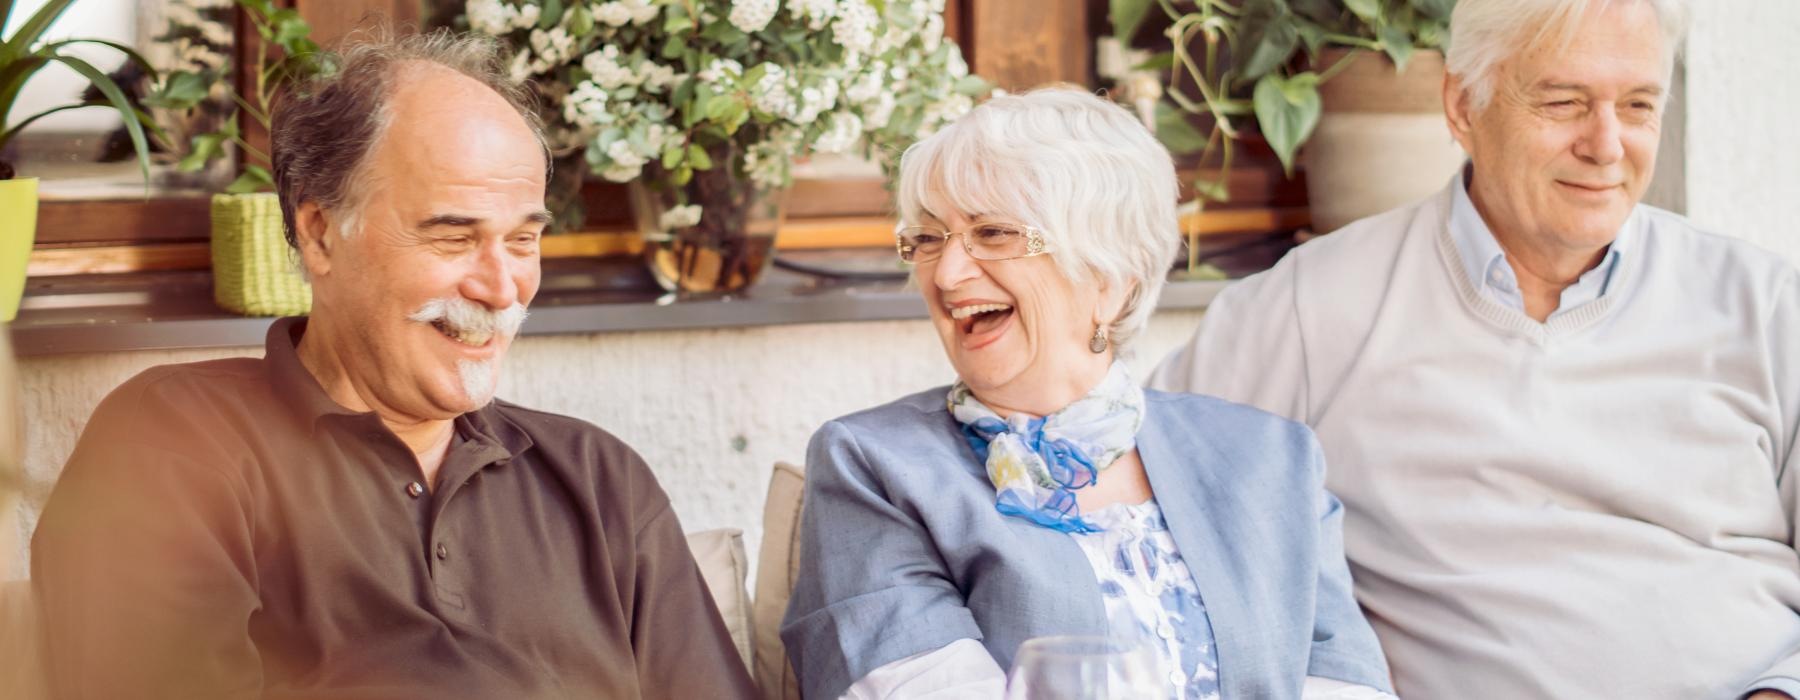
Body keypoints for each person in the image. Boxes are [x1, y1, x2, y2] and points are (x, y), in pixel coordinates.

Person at [30, 31, 755, 699]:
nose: (502, 288)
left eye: (524, 241)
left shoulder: (599, 481)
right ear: (319, 236)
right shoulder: (175, 447)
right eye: (452, 237)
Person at [1152, 0, 1800, 698]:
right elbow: (1140, 489)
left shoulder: (1764, 306)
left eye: (1638, 105)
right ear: (1464, 107)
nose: (1607, 144)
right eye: (1564, 102)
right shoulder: (1314, 308)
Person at [781, 87, 1393, 700]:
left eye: (993, 232)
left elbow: (1346, 684)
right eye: (930, 239)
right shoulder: (875, 466)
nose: (946, 274)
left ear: (1109, 278)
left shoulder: (1272, 458)